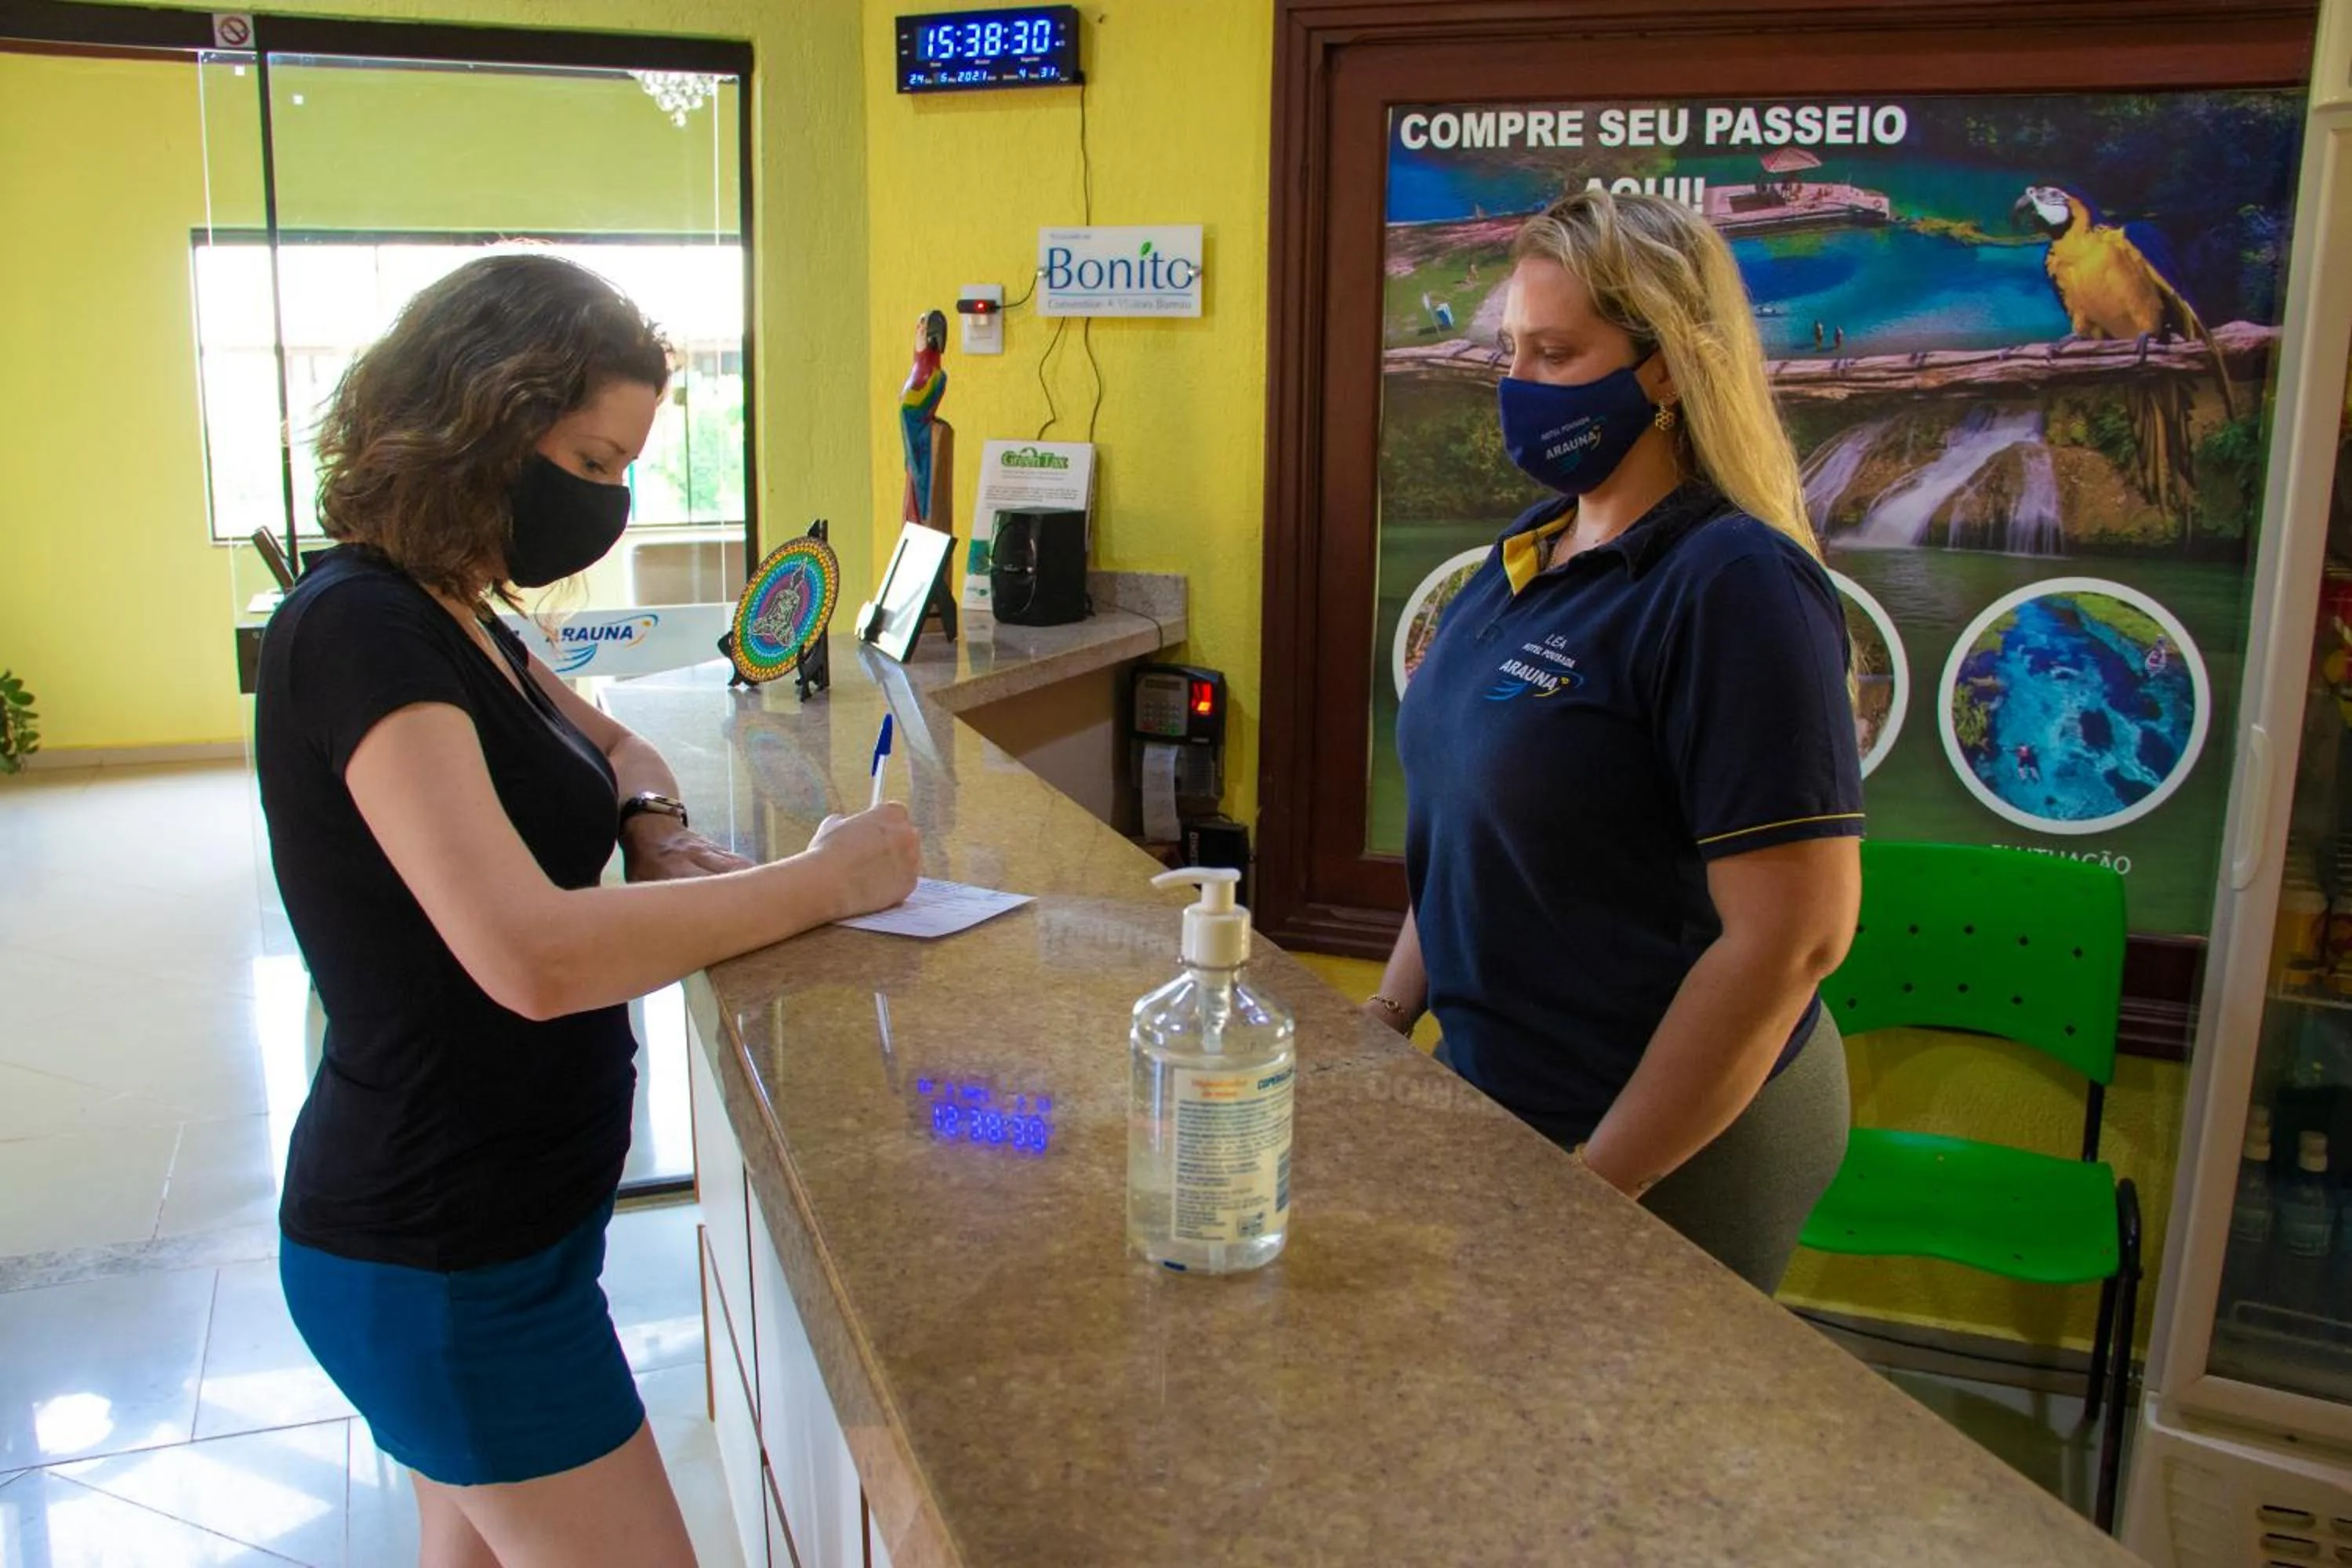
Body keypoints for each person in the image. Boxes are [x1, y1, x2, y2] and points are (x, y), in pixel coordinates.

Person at [256, 253, 920, 1567]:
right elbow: (531, 958)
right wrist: (820, 884)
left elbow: (619, 750)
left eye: (624, 470)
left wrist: (652, 833)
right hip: (442, 1259)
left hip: (508, 1237)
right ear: (483, 421)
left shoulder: (468, 613)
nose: (606, 500)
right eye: (591, 459)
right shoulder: (360, 631)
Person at [1374, 190, 1863, 1294]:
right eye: (1509, 350)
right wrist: (1389, 1013)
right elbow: (1464, 828)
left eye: (1556, 353)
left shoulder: (1736, 586)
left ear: (1667, 368)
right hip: (1507, 1089)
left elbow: (1795, 941)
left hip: (1671, 1132)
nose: (1517, 386)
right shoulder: (1529, 556)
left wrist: (1600, 1184)